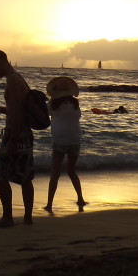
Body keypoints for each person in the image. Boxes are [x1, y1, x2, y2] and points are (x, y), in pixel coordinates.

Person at [0, 49, 34, 227]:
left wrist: (12, 140)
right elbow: (16, 109)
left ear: (0, 61)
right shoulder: (18, 78)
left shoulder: (12, 80)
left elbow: (18, 113)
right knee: (25, 177)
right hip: (24, 133)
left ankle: (7, 217)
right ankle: (27, 218)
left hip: (16, 133)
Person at [43, 76, 86, 213]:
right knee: (71, 170)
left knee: (55, 173)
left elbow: (45, 113)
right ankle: (80, 198)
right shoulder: (75, 103)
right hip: (75, 139)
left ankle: (49, 204)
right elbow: (78, 117)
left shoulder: (53, 104)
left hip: (60, 140)